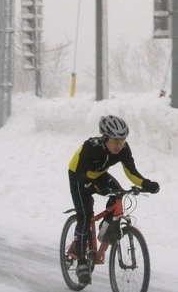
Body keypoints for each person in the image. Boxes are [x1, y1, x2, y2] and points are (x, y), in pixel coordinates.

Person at [68, 115, 160, 284]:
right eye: (116, 141)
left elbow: (131, 172)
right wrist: (93, 187)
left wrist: (146, 183)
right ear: (105, 138)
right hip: (79, 176)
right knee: (85, 215)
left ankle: (106, 231)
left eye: (123, 140)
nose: (120, 145)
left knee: (118, 195)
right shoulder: (91, 148)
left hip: (99, 174)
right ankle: (81, 261)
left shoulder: (123, 149)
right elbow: (81, 175)